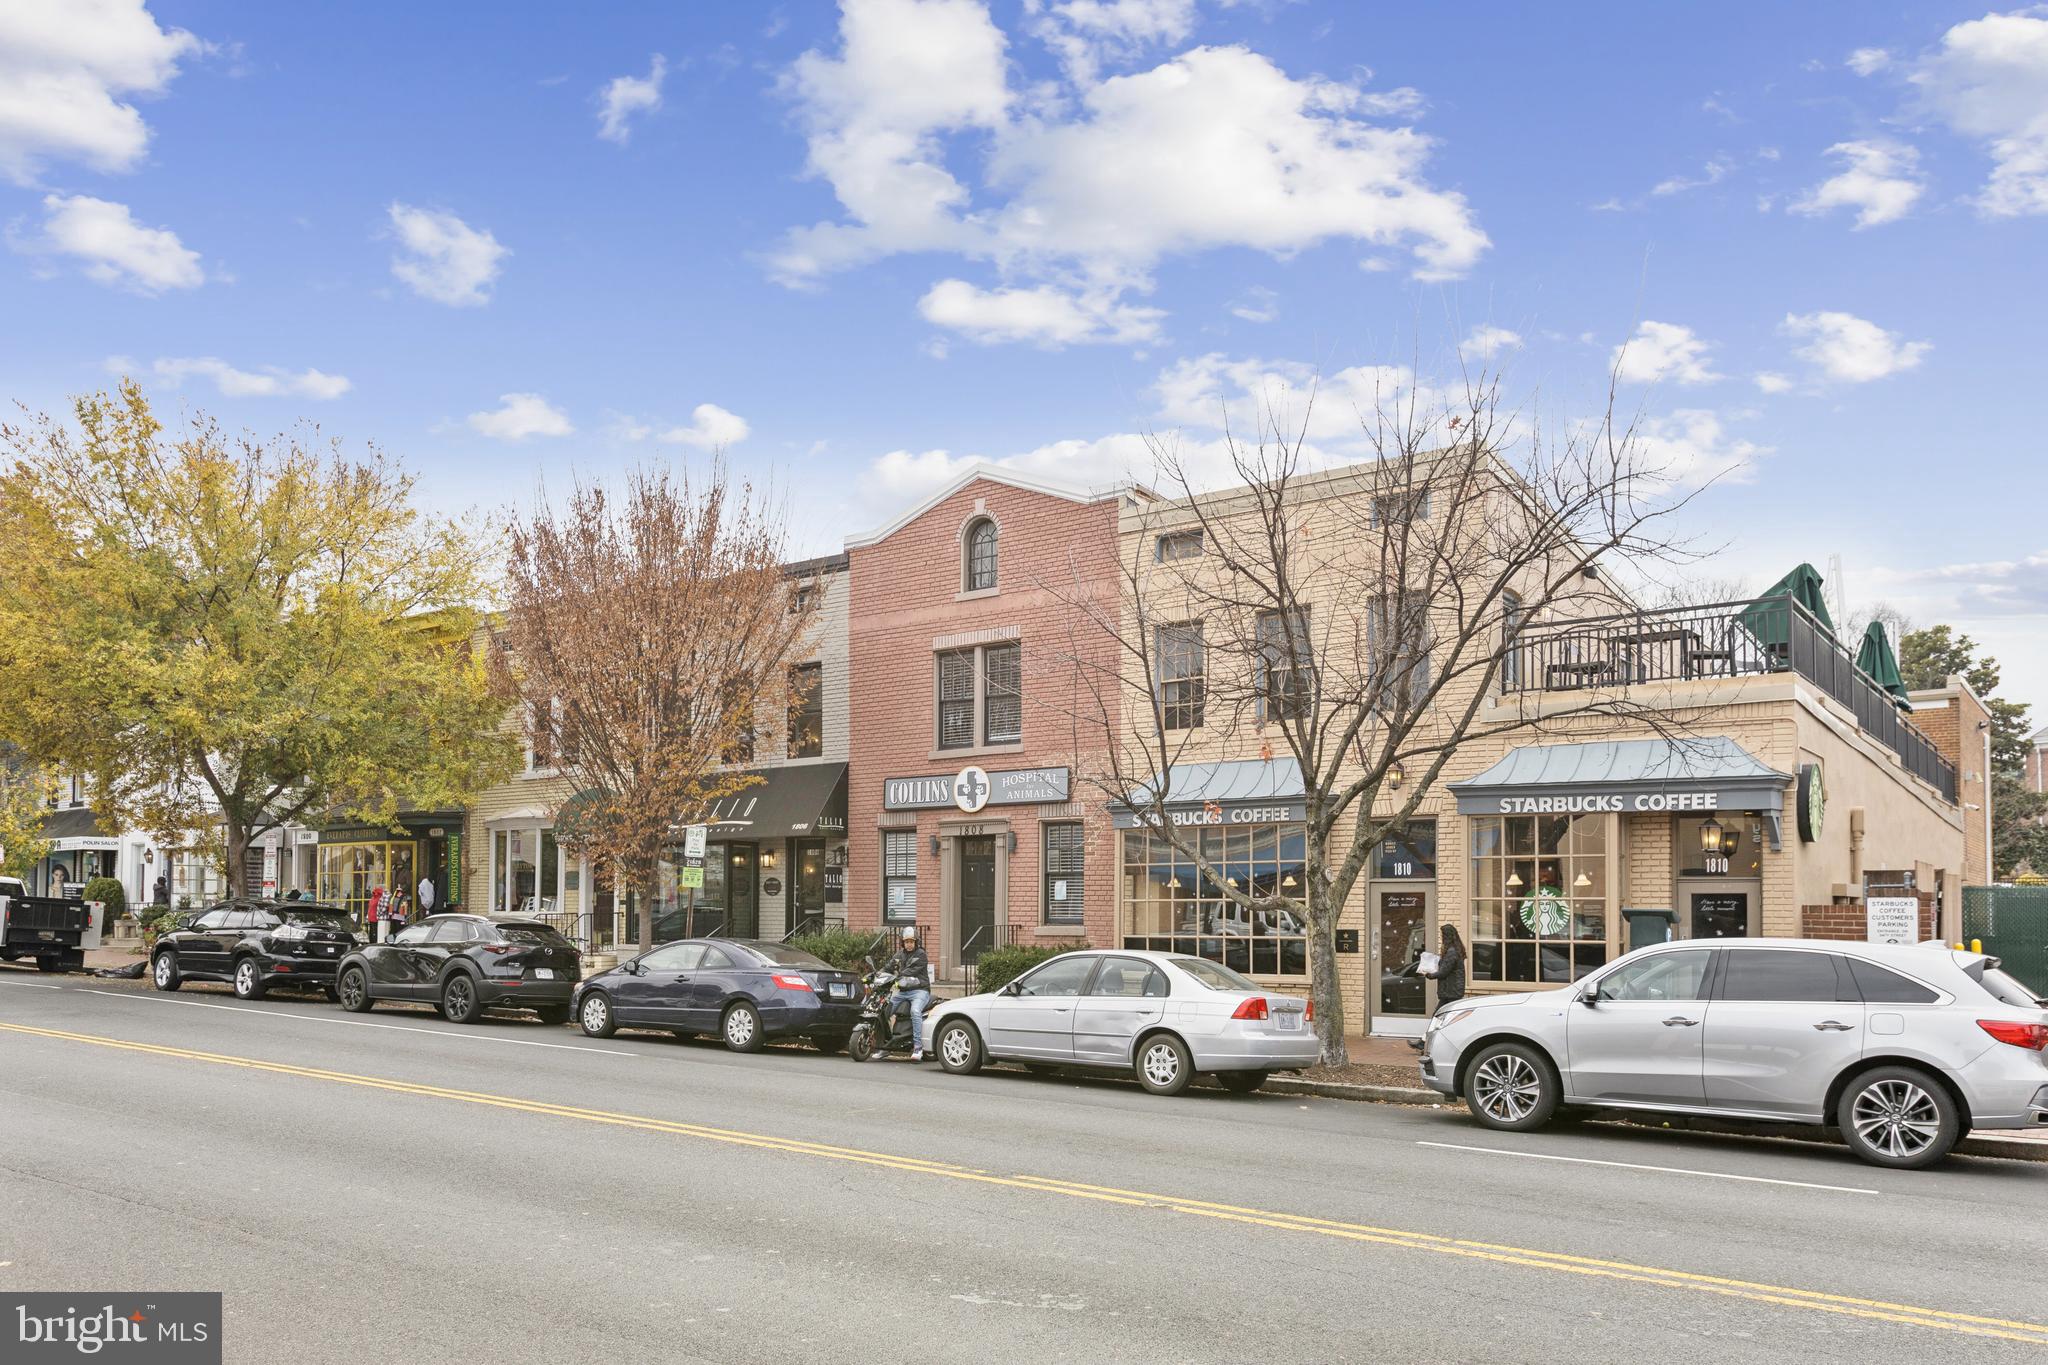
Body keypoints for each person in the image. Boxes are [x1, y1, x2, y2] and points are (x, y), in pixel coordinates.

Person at [883, 927, 932, 1062]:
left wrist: (896, 976)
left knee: (915, 1011)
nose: (909, 944)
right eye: (906, 941)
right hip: (903, 991)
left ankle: (917, 1047)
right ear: (902, 943)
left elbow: (910, 971)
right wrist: (877, 975)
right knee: (884, 1011)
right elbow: (888, 967)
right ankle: (885, 1046)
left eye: (911, 941)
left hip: (919, 990)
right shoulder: (899, 955)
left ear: (916, 942)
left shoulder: (921, 954)